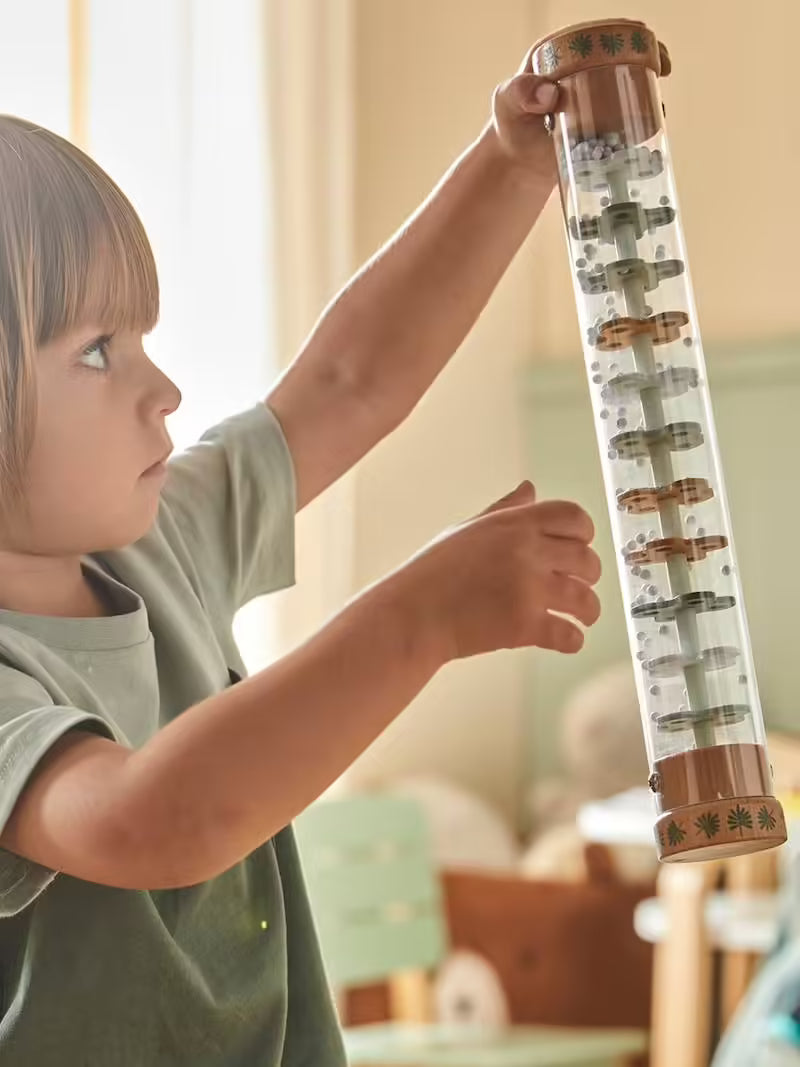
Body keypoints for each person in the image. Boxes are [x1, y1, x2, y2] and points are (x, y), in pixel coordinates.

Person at [0, 46, 601, 1065]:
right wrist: (415, 620)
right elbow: (154, 820)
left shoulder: (163, 537)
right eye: (98, 351)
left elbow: (348, 383)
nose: (164, 391)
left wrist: (509, 164)